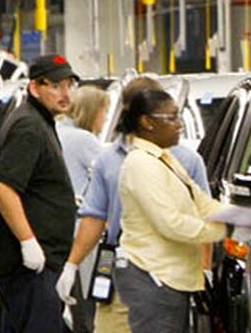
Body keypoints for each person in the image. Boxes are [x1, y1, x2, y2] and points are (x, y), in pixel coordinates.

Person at [54, 76, 212, 333]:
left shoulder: (187, 161)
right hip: (119, 272)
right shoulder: (108, 160)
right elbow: (94, 217)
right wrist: (72, 264)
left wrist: (205, 272)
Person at [0, 54, 79, 332]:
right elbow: (4, 186)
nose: (65, 93)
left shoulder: (39, 121)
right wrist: (27, 241)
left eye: (69, 85)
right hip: (31, 265)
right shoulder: (29, 126)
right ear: (35, 87)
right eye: (56, 86)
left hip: (40, 263)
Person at [112, 89, 228, 332]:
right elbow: (171, 223)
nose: (179, 125)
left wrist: (245, 218)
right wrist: (226, 229)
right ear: (147, 122)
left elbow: (201, 202)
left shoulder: (164, 159)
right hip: (154, 278)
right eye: (172, 118)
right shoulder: (141, 164)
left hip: (171, 279)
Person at [56, 85, 110, 333]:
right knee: (88, 312)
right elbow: (111, 176)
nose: (105, 119)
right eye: (104, 113)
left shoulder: (56, 130)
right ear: (91, 112)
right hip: (85, 235)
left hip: (59, 234)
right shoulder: (83, 139)